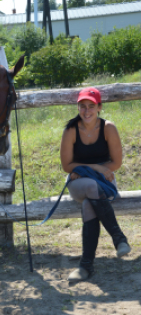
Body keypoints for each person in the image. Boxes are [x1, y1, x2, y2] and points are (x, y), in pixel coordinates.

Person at [60, 87, 131, 282]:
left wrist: (92, 170)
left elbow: (116, 163)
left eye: (91, 106)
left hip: (104, 181)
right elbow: (67, 166)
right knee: (90, 187)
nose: (86, 111)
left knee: (88, 203)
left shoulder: (109, 128)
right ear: (78, 108)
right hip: (78, 182)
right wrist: (95, 168)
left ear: (99, 107)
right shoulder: (71, 130)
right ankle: (118, 238)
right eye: (82, 106)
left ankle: (86, 266)